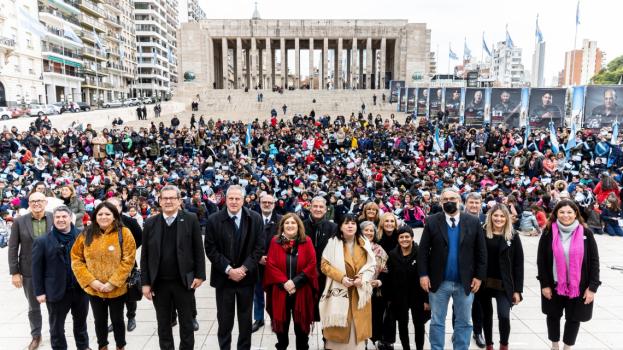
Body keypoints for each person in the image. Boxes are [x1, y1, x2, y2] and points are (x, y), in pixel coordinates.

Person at [418, 188, 487, 350]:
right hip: (438, 282)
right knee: (437, 321)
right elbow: (422, 251)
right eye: (445, 199)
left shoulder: (473, 221)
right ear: (441, 203)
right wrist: (423, 275)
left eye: (453, 198)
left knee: (464, 322)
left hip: (466, 282)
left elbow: (481, 252)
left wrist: (479, 276)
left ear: (460, 201)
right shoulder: (432, 221)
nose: (449, 202)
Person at [140, 185, 206, 350]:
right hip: (159, 283)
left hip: (184, 283)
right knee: (163, 325)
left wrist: (200, 275)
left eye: (172, 198)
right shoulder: (150, 223)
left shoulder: (190, 219)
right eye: (164, 198)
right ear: (159, 201)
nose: (168, 201)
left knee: (186, 324)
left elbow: (198, 249)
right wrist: (145, 283)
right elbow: (145, 256)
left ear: (179, 201)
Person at [204, 185, 264, 350]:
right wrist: (229, 269)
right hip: (224, 279)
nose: (234, 202)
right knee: (224, 321)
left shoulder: (255, 218)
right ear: (226, 199)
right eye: (231, 198)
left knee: (245, 322)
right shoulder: (214, 220)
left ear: (243, 200)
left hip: (246, 279)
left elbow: (259, 248)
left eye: (237, 198)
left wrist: (244, 269)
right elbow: (210, 248)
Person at [71, 201, 136, 350]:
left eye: (107, 214)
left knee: (118, 319)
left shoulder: (124, 233)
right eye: (100, 214)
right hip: (94, 289)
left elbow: (128, 260)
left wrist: (113, 283)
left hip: (117, 288)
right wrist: (91, 281)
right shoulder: (86, 233)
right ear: (95, 216)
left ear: (114, 216)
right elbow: (76, 258)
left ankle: (120, 346)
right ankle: (102, 346)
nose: (103, 217)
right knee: (99, 320)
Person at [537, 199, 601, 350]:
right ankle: (554, 346)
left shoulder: (586, 233)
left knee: (574, 318)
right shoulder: (548, 233)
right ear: (556, 214)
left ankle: (567, 347)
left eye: (569, 212)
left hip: (578, 286)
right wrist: (545, 285)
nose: (566, 215)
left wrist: (592, 288)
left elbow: (594, 262)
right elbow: (541, 262)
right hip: (554, 285)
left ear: (576, 214)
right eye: (562, 212)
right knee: (553, 316)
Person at [31, 206, 90, 350]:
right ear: (53, 219)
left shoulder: (83, 236)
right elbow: (36, 268)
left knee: (81, 325)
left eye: (64, 216)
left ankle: (84, 347)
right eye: (57, 217)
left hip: (80, 290)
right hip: (56, 292)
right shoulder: (42, 241)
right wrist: (39, 292)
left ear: (70, 218)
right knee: (56, 328)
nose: (61, 220)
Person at [319, 214, 375, 349]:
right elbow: (324, 265)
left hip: (359, 293)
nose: (350, 226)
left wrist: (362, 278)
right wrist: (341, 277)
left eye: (353, 223)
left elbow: (371, 265)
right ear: (340, 227)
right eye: (346, 223)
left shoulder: (364, 243)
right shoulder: (332, 243)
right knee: (338, 337)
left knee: (357, 337)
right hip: (339, 292)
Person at [264, 213, 318, 350]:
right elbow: (271, 264)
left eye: (293, 223)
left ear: (298, 226)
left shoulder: (307, 241)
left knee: (301, 329)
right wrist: (284, 283)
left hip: (302, 290)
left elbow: (312, 263)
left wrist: (294, 282)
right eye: (287, 223)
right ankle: (281, 346)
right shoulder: (275, 241)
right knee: (281, 327)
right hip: (280, 290)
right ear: (282, 226)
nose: (290, 225)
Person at [8, 192, 53, 350]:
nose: (36, 203)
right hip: (28, 271)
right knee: (33, 307)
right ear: (29, 203)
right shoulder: (19, 222)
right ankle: (36, 335)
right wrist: (15, 272)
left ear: (45, 202)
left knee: (54, 305)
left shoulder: (55, 218)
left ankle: (55, 333)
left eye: (39, 200)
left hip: (52, 271)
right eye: (33, 201)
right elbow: (13, 247)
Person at [479, 204, 524, 350]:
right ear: (490, 216)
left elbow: (518, 264)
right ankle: (489, 345)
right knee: (486, 316)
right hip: (484, 283)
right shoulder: (482, 232)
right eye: (496, 215)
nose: (498, 219)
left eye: (502, 216)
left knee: (504, 316)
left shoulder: (513, 235)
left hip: (504, 284)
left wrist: (518, 290)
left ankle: (504, 345)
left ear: (507, 218)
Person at [386, 226, 430, 350]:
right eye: (401, 237)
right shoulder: (393, 254)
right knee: (402, 323)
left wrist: (427, 299)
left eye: (407, 237)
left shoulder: (421, 252)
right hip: (400, 296)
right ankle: (406, 347)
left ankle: (419, 348)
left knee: (419, 324)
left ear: (412, 238)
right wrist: (390, 298)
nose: (404, 239)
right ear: (398, 239)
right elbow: (390, 277)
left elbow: (427, 275)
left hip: (418, 295)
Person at [106, 197, 143, 333]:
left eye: (115, 206)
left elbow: (140, 237)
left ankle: (131, 317)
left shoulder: (130, 222)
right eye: (109, 205)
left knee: (130, 291)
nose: (112, 208)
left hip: (128, 262)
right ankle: (115, 320)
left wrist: (129, 251)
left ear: (121, 208)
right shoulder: (101, 222)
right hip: (108, 265)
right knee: (112, 293)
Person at [303, 196, 338, 319]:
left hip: (326, 275)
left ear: (326, 209)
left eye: (321, 207)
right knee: (305, 312)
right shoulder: (301, 226)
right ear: (310, 208)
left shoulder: (333, 228)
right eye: (315, 206)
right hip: (305, 275)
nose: (318, 209)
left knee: (325, 312)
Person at [252, 194, 282, 333]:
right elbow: (247, 242)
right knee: (257, 293)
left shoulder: (281, 220)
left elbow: (286, 242)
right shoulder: (251, 219)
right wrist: (257, 257)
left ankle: (275, 319)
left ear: (274, 204)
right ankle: (258, 319)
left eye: (270, 202)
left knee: (274, 294)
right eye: (264, 202)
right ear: (259, 203)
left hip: (275, 265)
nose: (267, 204)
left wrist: (271, 258)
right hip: (256, 263)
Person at [359, 221, 388, 349]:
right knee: (358, 319)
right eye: (366, 230)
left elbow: (386, 270)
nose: (369, 233)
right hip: (356, 289)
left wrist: (379, 281)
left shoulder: (379, 249)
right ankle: (360, 343)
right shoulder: (352, 247)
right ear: (360, 231)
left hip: (373, 291)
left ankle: (370, 341)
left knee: (373, 319)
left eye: (371, 231)